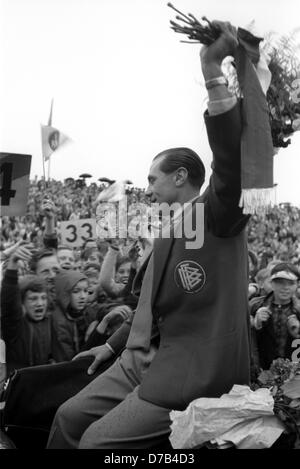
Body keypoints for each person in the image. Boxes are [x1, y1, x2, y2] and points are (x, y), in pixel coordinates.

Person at [47, 21, 251, 449]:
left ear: (180, 177)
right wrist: (116, 345)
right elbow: (148, 308)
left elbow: (232, 164)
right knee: (67, 419)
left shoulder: (218, 214)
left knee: (95, 445)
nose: (147, 188)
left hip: (187, 366)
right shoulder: (166, 227)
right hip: (135, 359)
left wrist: (213, 72)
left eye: (152, 179)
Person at [1, 243, 54, 372]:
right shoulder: (15, 325)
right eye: (33, 299)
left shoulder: (50, 320)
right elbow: (9, 301)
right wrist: (13, 264)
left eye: (43, 298)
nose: (40, 303)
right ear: (22, 303)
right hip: (21, 385)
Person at [250, 262, 300, 370]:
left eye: (290, 283)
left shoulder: (298, 310)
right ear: (272, 283)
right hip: (261, 374)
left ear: (297, 285)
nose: (285, 287)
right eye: (280, 282)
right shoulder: (255, 306)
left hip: (294, 377)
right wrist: (255, 323)